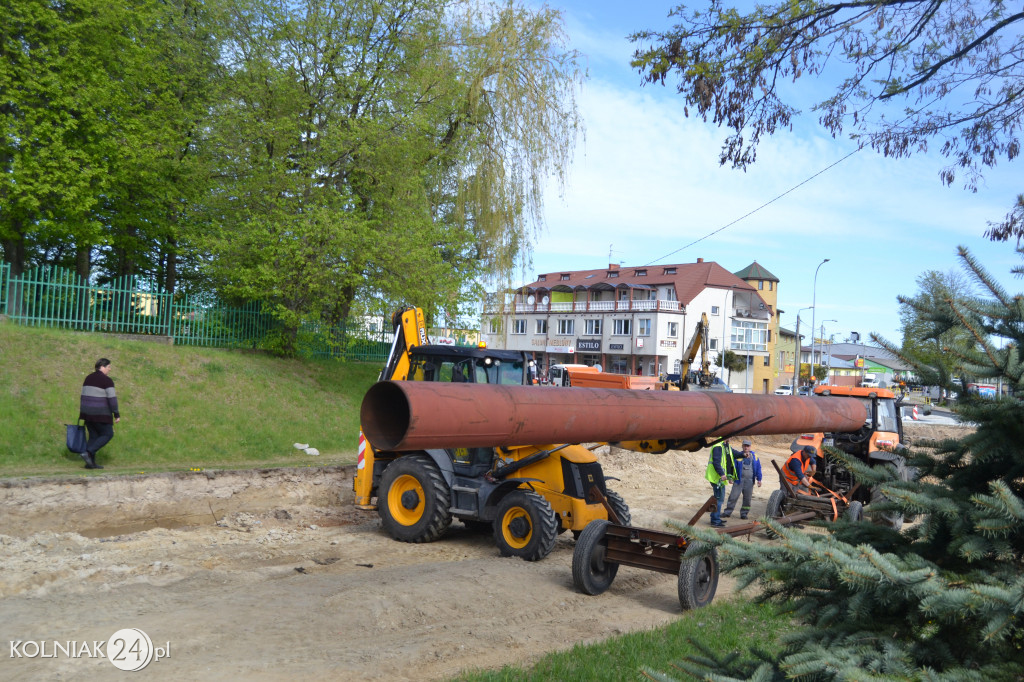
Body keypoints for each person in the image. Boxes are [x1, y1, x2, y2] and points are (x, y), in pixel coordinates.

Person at [79, 358, 121, 469]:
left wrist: (83, 412)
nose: (110, 369)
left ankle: (90, 464)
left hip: (87, 413)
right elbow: (112, 399)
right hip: (101, 414)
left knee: (93, 437)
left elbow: (83, 396)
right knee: (108, 434)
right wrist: (116, 414)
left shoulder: (88, 378)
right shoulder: (107, 380)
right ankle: (88, 452)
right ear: (102, 366)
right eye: (109, 367)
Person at [722, 439, 762, 519]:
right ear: (742, 446)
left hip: (749, 481)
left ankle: (744, 514)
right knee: (733, 497)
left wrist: (759, 479)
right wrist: (731, 478)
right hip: (738, 480)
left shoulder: (755, 457)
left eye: (748, 446)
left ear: (750, 447)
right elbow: (732, 467)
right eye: (745, 446)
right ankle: (727, 512)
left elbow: (758, 469)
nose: (746, 447)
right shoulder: (738, 456)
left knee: (747, 499)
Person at [705, 437, 738, 527]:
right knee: (719, 499)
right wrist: (722, 474)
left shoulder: (725, 446)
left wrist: (743, 454)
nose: (731, 437)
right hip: (716, 478)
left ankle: (715, 517)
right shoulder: (718, 446)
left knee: (717, 498)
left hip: (718, 478)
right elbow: (716, 462)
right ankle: (715, 521)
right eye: (730, 436)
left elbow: (734, 453)